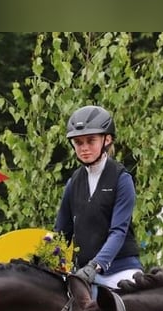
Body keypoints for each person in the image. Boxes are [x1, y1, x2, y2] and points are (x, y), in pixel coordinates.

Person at [54, 105, 143, 289]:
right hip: (81, 273)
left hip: (119, 270)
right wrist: (45, 258)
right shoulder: (73, 183)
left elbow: (118, 231)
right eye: (78, 143)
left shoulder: (122, 179)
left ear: (107, 139)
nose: (84, 148)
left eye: (90, 141)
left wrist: (96, 265)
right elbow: (62, 232)